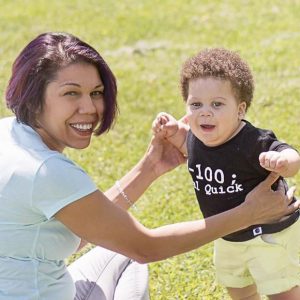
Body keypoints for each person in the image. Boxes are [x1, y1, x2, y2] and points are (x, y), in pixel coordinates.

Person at [0, 34, 298, 300]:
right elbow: (145, 248)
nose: (90, 108)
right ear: (34, 96)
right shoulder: (47, 171)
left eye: (96, 92)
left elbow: (86, 231)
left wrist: (151, 166)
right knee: (132, 252)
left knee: (122, 252)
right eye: (71, 93)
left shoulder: (7, 133)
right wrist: (248, 214)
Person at [152, 48, 300, 299]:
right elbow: (184, 141)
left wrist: (283, 161)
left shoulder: (252, 141)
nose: (205, 112)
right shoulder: (196, 137)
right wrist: (172, 130)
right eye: (195, 104)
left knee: (281, 291)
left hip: (269, 235)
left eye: (217, 104)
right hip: (227, 236)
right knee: (238, 288)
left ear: (240, 110)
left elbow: (292, 158)